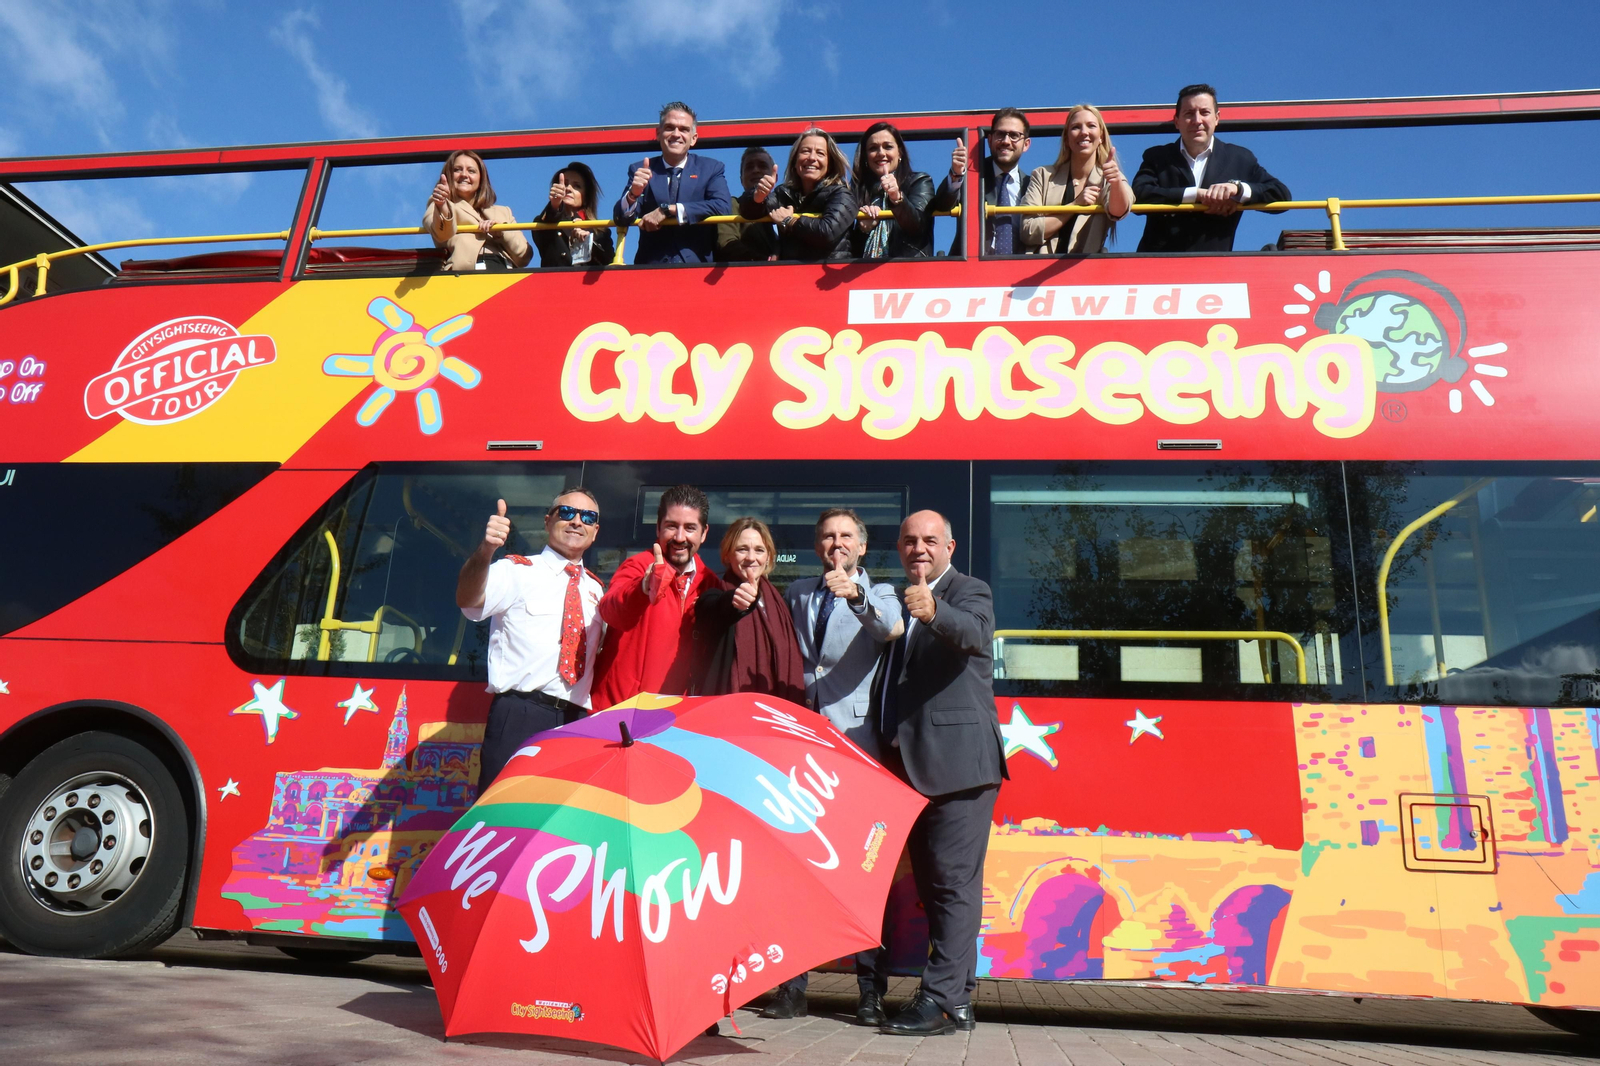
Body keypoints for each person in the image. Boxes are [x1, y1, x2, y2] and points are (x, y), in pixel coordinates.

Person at [762, 508, 904, 1024]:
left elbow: (890, 628)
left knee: (865, 875)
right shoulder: (797, 591)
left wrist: (856, 595)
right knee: (795, 870)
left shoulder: (882, 592)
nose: (836, 543)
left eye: (846, 536)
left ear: (861, 547)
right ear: (818, 545)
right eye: (827, 536)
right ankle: (792, 988)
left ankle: (870, 993)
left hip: (858, 749)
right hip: (801, 749)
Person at [873, 511, 1007, 1037]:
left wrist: (934, 612)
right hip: (914, 764)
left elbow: (975, 634)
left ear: (950, 546)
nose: (919, 548)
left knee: (952, 884)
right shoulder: (898, 597)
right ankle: (960, 996)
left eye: (930, 540)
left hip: (962, 766)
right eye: (909, 540)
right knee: (937, 887)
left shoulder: (969, 591)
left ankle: (941, 1001)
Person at [456, 489, 604, 792]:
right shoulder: (516, 570)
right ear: (548, 521)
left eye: (587, 517)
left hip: (575, 723)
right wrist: (486, 550)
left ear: (595, 531)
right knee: (503, 818)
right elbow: (468, 599)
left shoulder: (598, 591)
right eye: (566, 513)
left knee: (553, 826)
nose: (577, 521)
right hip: (520, 715)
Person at [590, 484, 720, 709]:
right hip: (620, 711)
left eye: (690, 527)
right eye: (671, 526)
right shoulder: (639, 566)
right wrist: (643, 587)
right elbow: (611, 611)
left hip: (673, 715)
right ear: (658, 528)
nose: (680, 537)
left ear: (704, 533)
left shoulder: (711, 583)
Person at [1133, 83, 1290, 253]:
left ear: (1217, 118)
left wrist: (1237, 190)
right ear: (1177, 121)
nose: (1197, 120)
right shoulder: (1157, 157)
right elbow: (1139, 194)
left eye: (1204, 112)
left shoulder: (1240, 158)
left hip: (1215, 270)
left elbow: (1282, 196)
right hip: (1155, 268)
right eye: (1189, 113)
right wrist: (1195, 194)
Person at [692, 517, 806, 702]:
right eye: (742, 549)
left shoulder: (781, 605)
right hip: (729, 714)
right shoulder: (715, 595)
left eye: (759, 550)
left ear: (768, 556)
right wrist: (736, 602)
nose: (751, 558)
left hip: (777, 715)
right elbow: (712, 610)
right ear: (728, 554)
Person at [612, 102, 730, 264]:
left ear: (693, 138)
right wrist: (633, 195)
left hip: (698, 269)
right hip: (650, 270)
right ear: (658, 133)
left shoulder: (711, 168)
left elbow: (722, 207)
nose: (676, 134)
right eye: (669, 128)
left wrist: (668, 210)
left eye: (684, 129)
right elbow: (621, 219)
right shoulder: (640, 169)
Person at [1020, 104, 1134, 255]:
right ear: (1067, 139)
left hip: (1087, 272)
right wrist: (1075, 205)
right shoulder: (1043, 175)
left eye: (1091, 126)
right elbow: (1028, 232)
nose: (1084, 132)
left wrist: (1116, 182)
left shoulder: (1111, 176)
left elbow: (1119, 211)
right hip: (1038, 272)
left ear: (1101, 137)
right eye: (1076, 127)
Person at [738, 127, 857, 262]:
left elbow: (827, 232)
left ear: (829, 164)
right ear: (795, 161)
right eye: (805, 151)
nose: (812, 158)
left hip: (829, 277)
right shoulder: (784, 193)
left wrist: (790, 221)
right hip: (793, 277)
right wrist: (757, 196)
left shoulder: (842, 194)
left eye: (820, 153)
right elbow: (749, 212)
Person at [930, 107, 1035, 256]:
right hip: (972, 273)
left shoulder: (1033, 185)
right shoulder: (971, 176)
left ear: (1026, 144)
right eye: (1000, 134)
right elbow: (941, 205)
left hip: (1019, 272)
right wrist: (956, 174)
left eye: (1014, 135)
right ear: (990, 140)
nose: (1006, 141)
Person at [424, 149, 532, 272]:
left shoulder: (503, 212)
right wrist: (442, 205)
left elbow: (524, 256)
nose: (464, 174)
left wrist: (501, 232)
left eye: (471, 171)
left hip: (505, 273)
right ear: (448, 175)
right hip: (466, 275)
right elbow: (441, 233)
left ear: (481, 179)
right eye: (457, 169)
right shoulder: (439, 204)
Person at [850, 122, 934, 260]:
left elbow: (918, 226)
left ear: (899, 152)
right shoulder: (856, 191)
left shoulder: (919, 181)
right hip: (862, 275)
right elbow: (846, 249)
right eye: (873, 148)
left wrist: (896, 198)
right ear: (865, 157)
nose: (881, 153)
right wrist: (863, 230)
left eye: (888, 147)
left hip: (908, 272)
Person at [532, 161, 615, 268]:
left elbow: (609, 265)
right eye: (564, 184)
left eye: (577, 186)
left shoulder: (601, 231)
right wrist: (555, 204)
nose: (568, 189)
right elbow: (547, 222)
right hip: (555, 282)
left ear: (586, 197)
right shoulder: (544, 221)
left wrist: (589, 241)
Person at [716, 147, 779, 262]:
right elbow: (726, 243)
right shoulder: (732, 204)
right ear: (741, 179)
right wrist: (765, 261)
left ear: (775, 176)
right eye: (749, 167)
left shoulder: (785, 204)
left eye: (762, 166)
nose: (755, 170)